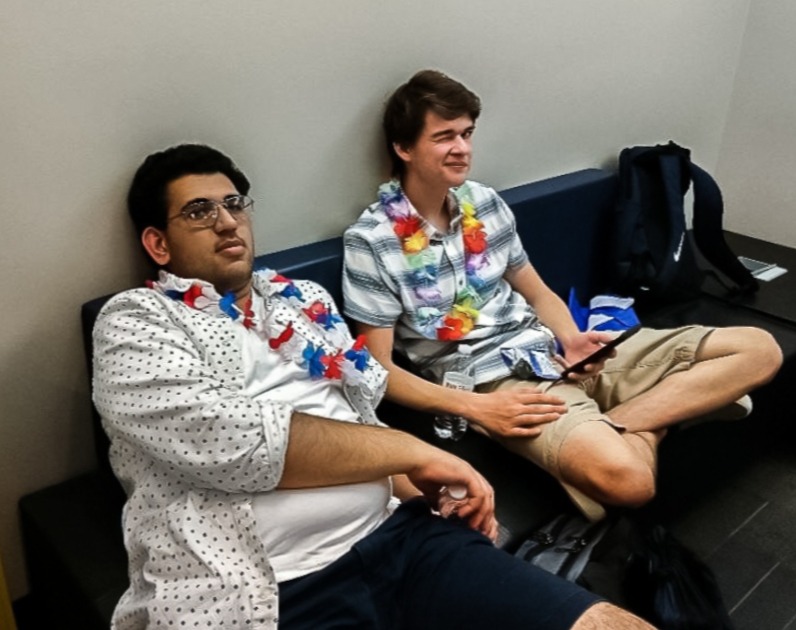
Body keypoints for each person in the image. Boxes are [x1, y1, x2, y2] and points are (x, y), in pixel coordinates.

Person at [93, 143, 655, 629]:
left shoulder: (303, 301)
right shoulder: (136, 321)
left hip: (403, 542)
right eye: (198, 211)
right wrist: (419, 452)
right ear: (158, 245)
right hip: (268, 591)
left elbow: (360, 418)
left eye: (234, 203)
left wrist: (424, 494)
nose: (227, 221)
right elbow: (229, 441)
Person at [342, 69, 783, 522]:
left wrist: (572, 340)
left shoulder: (485, 204)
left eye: (468, 133)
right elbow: (380, 370)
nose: (463, 149)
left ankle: (616, 423)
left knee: (759, 350)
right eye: (444, 137)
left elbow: (538, 292)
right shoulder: (372, 240)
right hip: (499, 385)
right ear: (403, 147)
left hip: (553, 353)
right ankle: (658, 418)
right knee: (631, 482)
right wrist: (479, 408)